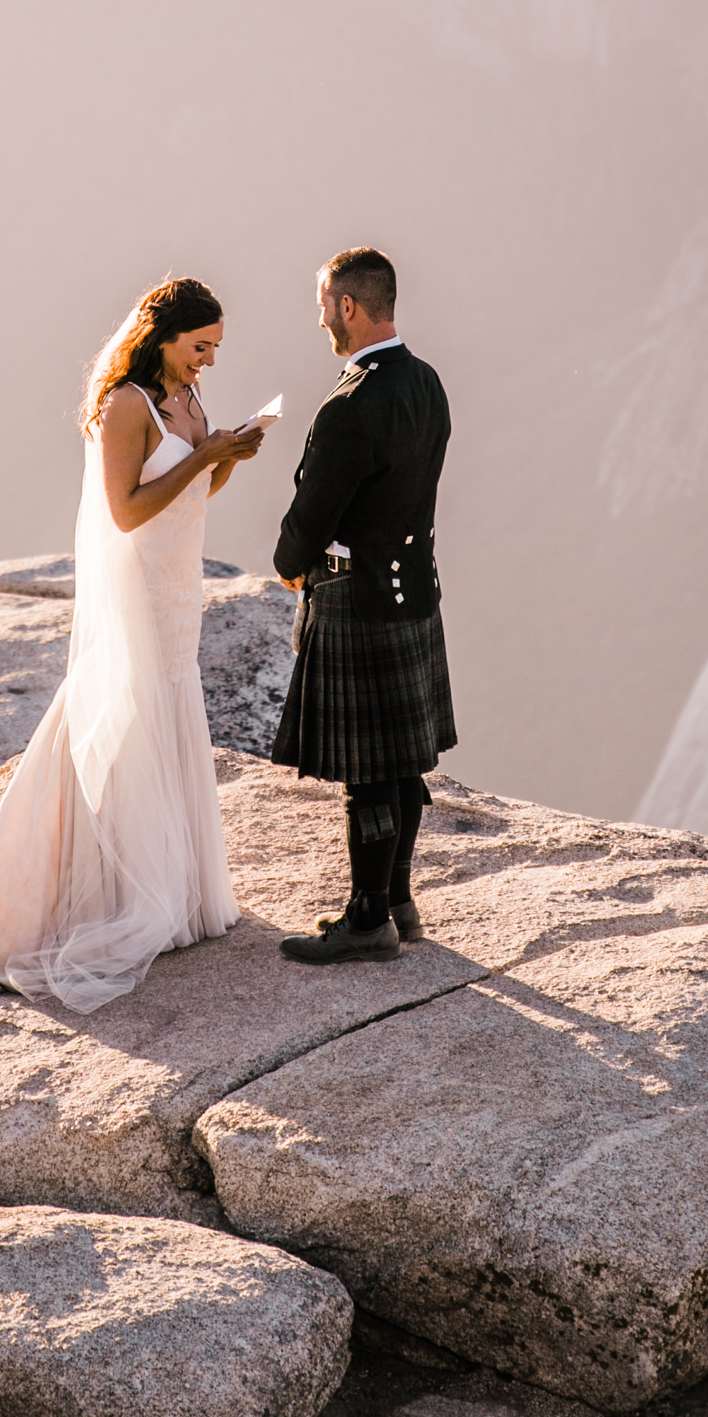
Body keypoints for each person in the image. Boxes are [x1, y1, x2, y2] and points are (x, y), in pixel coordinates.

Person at [0, 276, 264, 1012]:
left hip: (178, 589)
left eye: (215, 349)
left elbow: (184, 498)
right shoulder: (127, 405)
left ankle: (170, 893)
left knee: (164, 717)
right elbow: (125, 512)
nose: (207, 361)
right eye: (199, 346)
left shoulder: (185, 401)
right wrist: (204, 453)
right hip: (139, 593)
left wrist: (223, 460)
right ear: (162, 337)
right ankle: (44, 902)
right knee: (117, 720)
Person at [271, 247, 455, 961]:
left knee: (368, 773)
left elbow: (314, 511)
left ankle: (366, 918)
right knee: (400, 763)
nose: (322, 321)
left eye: (325, 307)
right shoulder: (425, 382)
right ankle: (399, 902)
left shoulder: (352, 402)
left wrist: (290, 565)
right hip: (413, 585)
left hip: (357, 596)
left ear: (348, 306)